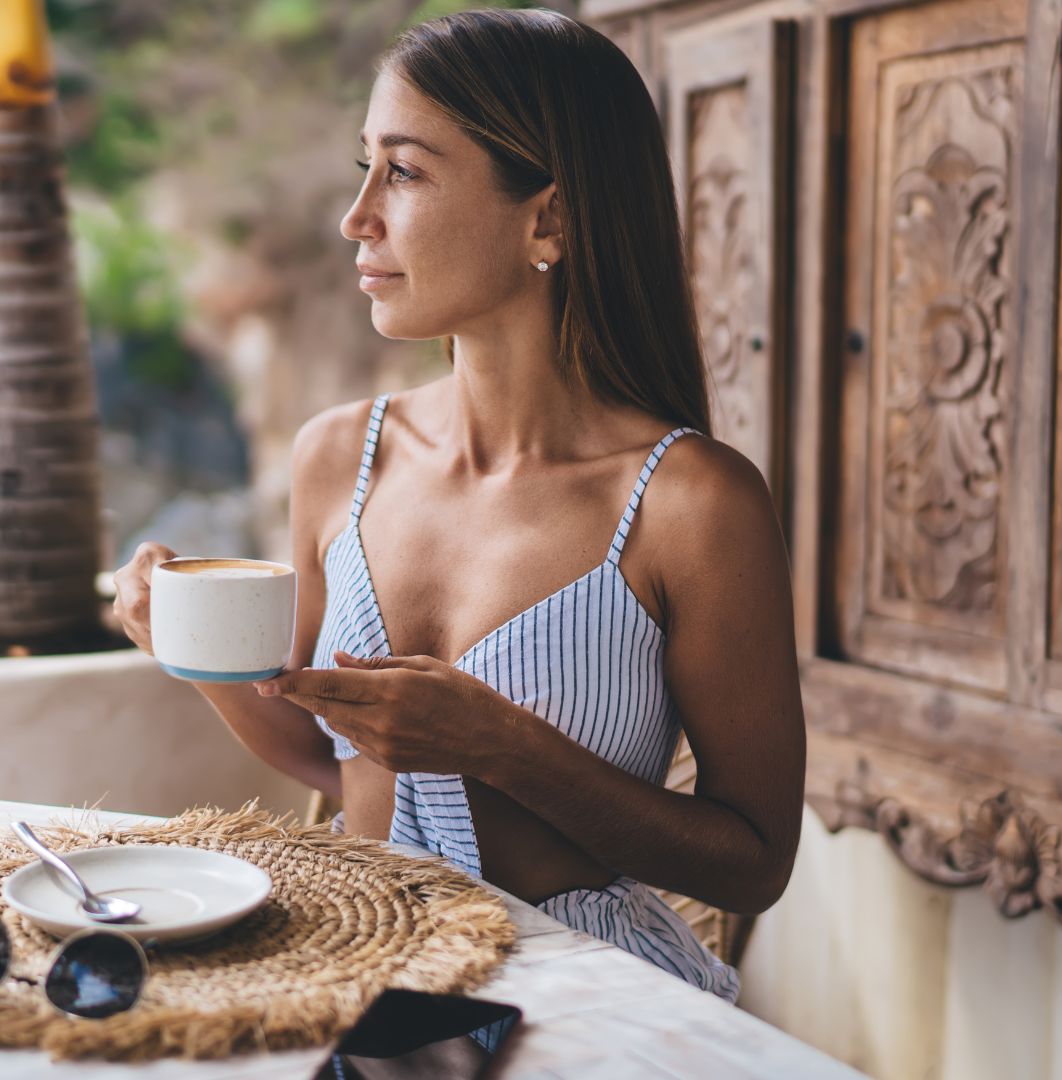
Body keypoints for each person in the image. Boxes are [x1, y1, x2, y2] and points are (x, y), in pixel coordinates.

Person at [112, 7, 804, 1002]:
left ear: (548, 220)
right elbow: (327, 756)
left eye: (404, 171)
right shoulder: (339, 457)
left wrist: (506, 748)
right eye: (365, 166)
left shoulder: (690, 504)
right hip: (361, 973)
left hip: (579, 998)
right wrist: (187, 637)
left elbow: (754, 861)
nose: (358, 218)